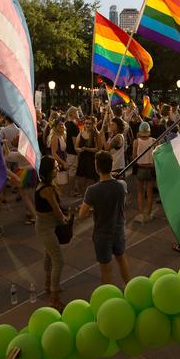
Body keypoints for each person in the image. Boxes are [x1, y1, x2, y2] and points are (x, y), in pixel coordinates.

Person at [78, 151, 131, 285]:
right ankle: (130, 287)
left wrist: (91, 208)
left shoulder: (92, 190)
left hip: (102, 235)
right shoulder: (122, 185)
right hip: (119, 231)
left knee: (106, 270)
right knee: (122, 260)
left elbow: (81, 214)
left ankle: (108, 297)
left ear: (97, 168)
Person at [34, 157, 70, 310]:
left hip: (47, 225)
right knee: (59, 260)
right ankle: (54, 298)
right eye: (55, 167)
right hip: (46, 228)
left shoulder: (46, 185)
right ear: (48, 171)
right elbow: (57, 211)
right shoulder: (46, 189)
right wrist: (66, 219)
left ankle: (49, 284)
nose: (58, 169)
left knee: (49, 255)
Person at [133, 121, 156, 224]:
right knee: (149, 193)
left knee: (139, 192)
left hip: (140, 169)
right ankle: (149, 214)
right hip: (151, 169)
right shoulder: (154, 141)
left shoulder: (136, 142)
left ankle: (142, 213)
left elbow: (134, 157)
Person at [74, 116, 101, 192]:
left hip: (92, 161)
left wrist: (86, 149)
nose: (87, 125)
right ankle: (84, 199)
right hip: (82, 160)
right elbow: (76, 147)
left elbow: (97, 149)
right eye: (86, 123)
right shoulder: (81, 133)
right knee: (81, 182)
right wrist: (79, 149)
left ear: (93, 124)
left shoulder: (96, 134)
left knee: (91, 183)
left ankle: (90, 200)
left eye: (90, 124)